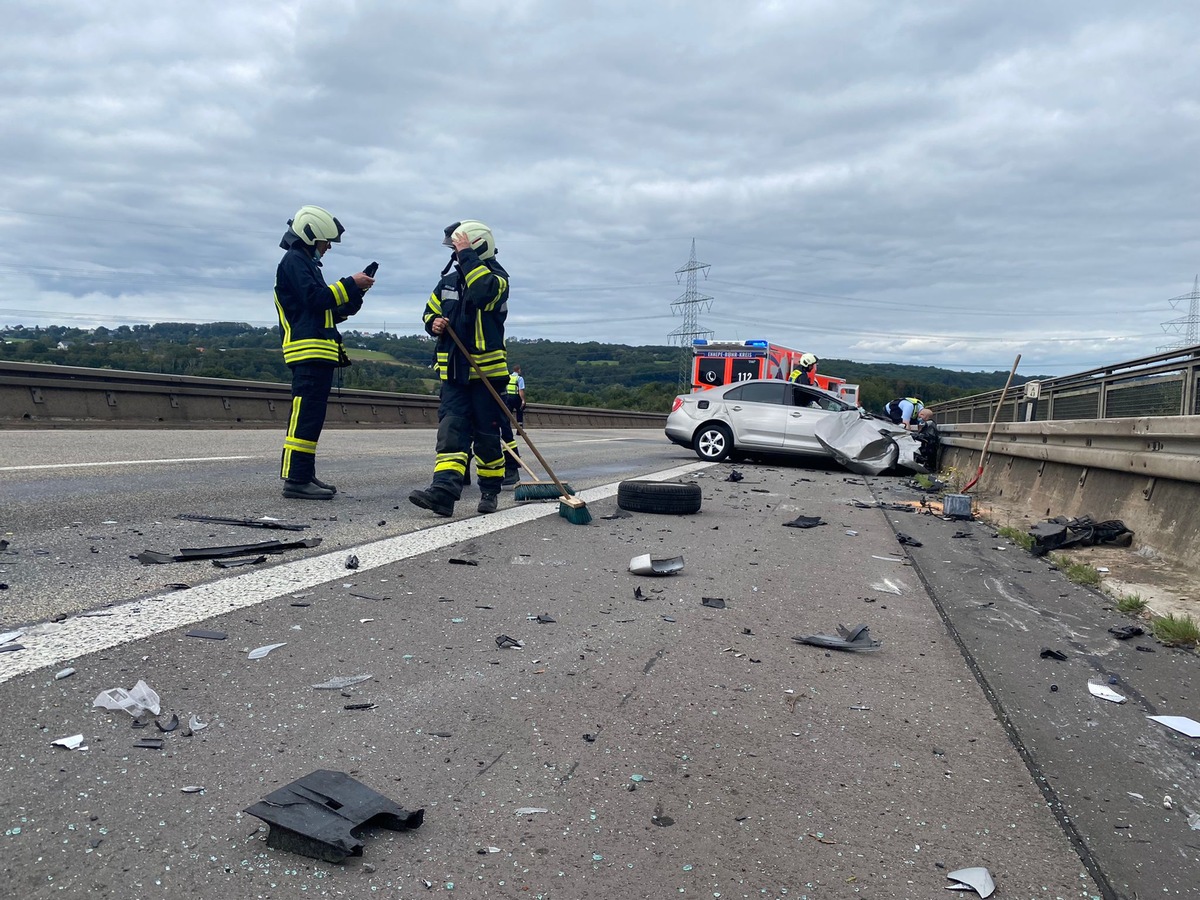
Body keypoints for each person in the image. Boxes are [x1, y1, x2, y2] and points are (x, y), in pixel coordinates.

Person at [409, 220, 510, 517]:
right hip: (453, 374)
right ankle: (443, 493)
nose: (454, 254)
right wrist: (433, 323)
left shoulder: (497, 279)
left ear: (475, 246)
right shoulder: (448, 282)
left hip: (486, 377)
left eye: (458, 248)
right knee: (451, 433)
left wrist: (467, 256)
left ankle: (490, 490)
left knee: (487, 437)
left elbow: (481, 293)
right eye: (454, 250)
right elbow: (430, 309)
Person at [273, 205, 374, 500]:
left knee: (311, 417)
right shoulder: (293, 261)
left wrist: (356, 293)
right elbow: (316, 299)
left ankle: (305, 475)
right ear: (311, 235)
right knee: (304, 416)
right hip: (307, 353)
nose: (327, 247)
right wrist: (349, 284)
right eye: (325, 241)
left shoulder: (305, 263)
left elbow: (331, 310)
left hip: (318, 354)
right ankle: (295, 480)